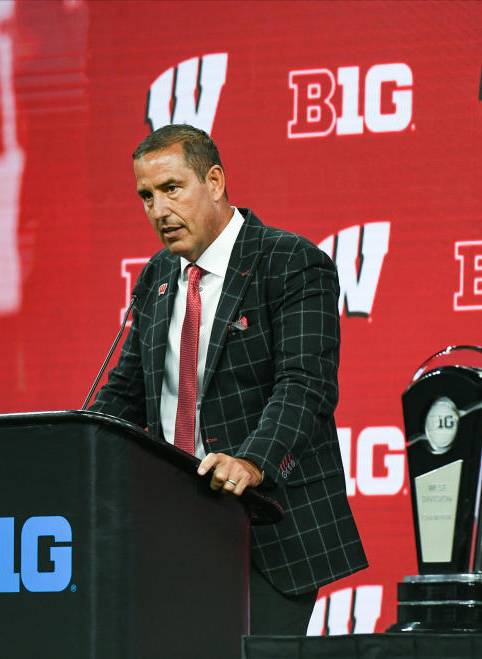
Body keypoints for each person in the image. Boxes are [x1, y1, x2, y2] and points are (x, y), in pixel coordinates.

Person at [90, 123, 367, 635]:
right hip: (171, 525)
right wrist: (76, 449)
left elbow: (305, 385)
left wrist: (252, 463)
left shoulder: (290, 262)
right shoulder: (156, 276)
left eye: (171, 189)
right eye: (146, 196)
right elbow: (127, 392)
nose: (157, 210)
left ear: (214, 181)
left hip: (263, 525)